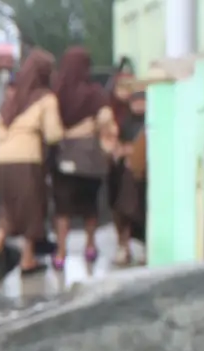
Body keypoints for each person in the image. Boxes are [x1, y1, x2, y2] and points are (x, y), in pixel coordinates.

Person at [0, 48, 62, 276]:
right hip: (27, 162)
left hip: (1, 163)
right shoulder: (45, 98)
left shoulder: (11, 101)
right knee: (33, 209)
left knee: (9, 207)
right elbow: (53, 134)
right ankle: (27, 260)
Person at [49, 45, 117, 274]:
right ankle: (90, 246)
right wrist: (89, 128)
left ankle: (60, 252)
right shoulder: (95, 92)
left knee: (63, 207)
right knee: (90, 204)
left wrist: (67, 134)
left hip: (63, 157)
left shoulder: (55, 93)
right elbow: (106, 119)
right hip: (90, 158)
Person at [109, 75, 148, 266]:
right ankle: (123, 245)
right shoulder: (125, 122)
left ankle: (140, 246)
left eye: (143, 100)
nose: (139, 105)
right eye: (136, 101)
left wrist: (131, 151)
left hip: (144, 177)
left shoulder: (150, 122)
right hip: (125, 175)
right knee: (122, 206)